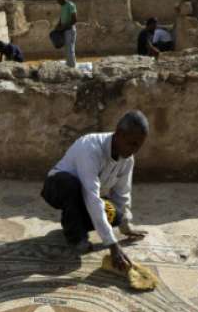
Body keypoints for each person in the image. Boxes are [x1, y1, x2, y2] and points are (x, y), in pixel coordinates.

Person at [41, 111, 150, 271]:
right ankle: (75, 236)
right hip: (57, 188)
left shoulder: (128, 159)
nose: (134, 150)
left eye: (138, 146)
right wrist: (113, 246)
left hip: (88, 197)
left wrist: (125, 226)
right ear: (118, 134)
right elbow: (91, 195)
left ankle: (73, 222)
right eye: (131, 143)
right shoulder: (90, 148)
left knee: (116, 215)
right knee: (71, 185)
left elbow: (122, 194)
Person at [54, 0, 78, 68]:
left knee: (70, 49)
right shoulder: (63, 6)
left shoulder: (70, 5)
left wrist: (63, 27)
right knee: (67, 49)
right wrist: (58, 25)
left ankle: (72, 68)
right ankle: (69, 66)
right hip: (65, 30)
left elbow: (74, 20)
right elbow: (61, 18)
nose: (57, 1)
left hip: (70, 30)